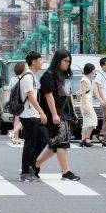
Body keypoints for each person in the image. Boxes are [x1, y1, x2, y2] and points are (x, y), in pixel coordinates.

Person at [34, 49, 80, 181]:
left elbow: (68, 96)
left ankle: (36, 164)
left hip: (65, 113)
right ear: (58, 60)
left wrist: (74, 113)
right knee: (62, 142)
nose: (67, 64)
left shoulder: (65, 76)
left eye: (69, 61)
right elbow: (49, 97)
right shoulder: (48, 76)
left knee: (55, 143)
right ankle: (66, 172)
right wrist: (54, 114)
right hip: (55, 113)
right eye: (65, 61)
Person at [19, 51, 47, 182]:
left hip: (33, 115)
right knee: (29, 144)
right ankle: (25, 172)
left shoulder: (32, 76)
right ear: (34, 61)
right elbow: (30, 97)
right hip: (29, 115)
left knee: (44, 138)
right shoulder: (28, 77)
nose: (42, 62)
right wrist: (41, 112)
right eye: (40, 60)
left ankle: (30, 164)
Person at [78, 63, 97, 148]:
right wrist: (84, 105)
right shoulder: (84, 79)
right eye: (94, 69)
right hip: (85, 103)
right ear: (90, 70)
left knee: (86, 121)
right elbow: (83, 93)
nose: (95, 71)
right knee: (93, 120)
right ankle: (87, 138)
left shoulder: (89, 79)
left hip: (88, 102)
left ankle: (83, 140)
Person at [9, 61, 27, 145]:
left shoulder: (13, 79)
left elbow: (10, 90)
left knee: (16, 119)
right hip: (23, 102)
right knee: (25, 119)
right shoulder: (25, 78)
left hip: (14, 101)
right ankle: (13, 133)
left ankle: (15, 137)